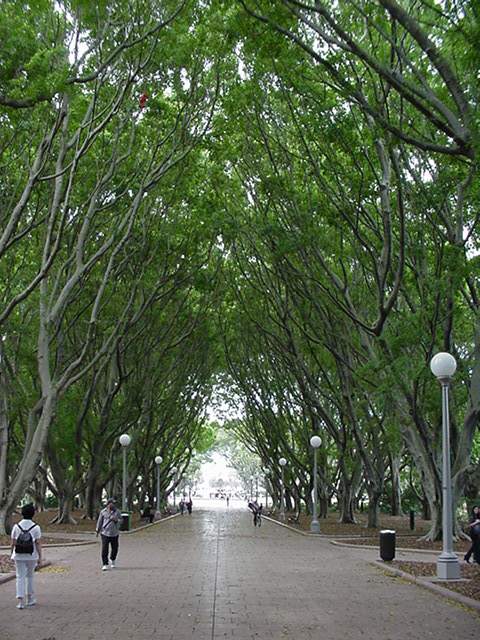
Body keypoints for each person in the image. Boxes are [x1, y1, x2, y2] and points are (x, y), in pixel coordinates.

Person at [10, 503, 42, 609]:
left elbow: (13, 542)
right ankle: (30, 599)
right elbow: (38, 543)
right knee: (30, 576)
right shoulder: (36, 527)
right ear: (33, 514)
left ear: (22, 513)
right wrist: (40, 557)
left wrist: (11, 553)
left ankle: (20, 601)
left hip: (18, 555)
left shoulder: (16, 527)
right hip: (31, 555)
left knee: (20, 577)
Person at [96, 498, 121, 571]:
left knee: (115, 548)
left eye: (114, 504)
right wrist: (97, 530)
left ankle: (113, 559)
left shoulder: (117, 512)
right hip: (105, 533)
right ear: (108, 504)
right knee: (105, 548)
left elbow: (121, 520)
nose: (112, 505)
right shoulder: (103, 512)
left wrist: (116, 520)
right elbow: (100, 521)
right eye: (111, 503)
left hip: (114, 533)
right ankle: (105, 564)